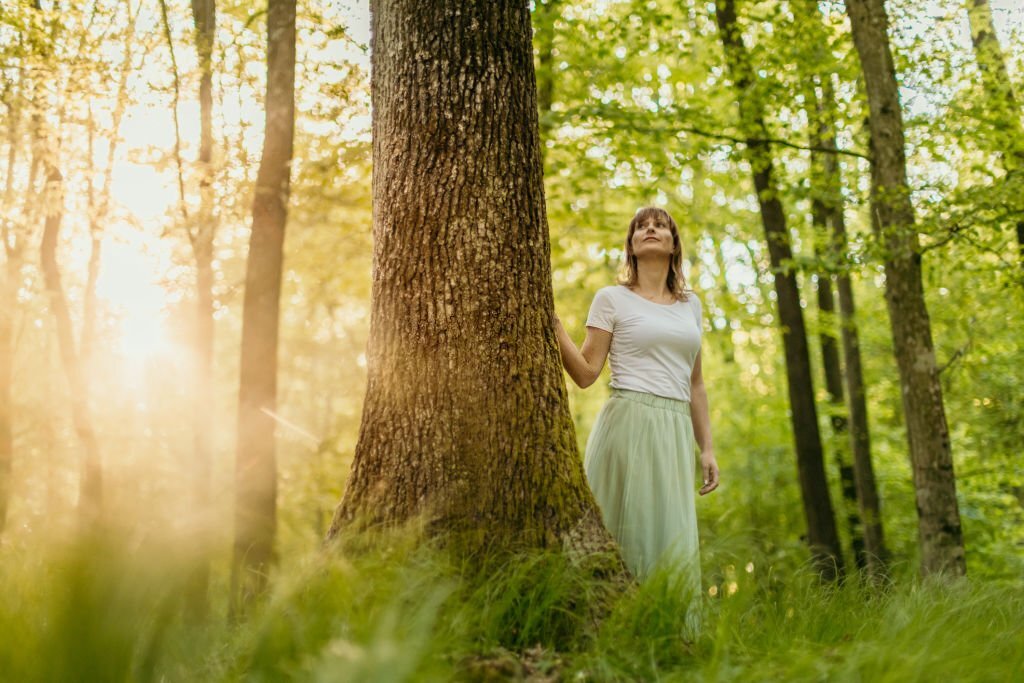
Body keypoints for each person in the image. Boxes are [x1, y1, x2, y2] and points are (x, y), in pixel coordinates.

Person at [553, 206, 718, 634]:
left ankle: (665, 637)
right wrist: (551, 324)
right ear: (630, 244)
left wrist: (708, 448)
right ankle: (603, 630)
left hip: (673, 428)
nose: (650, 229)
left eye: (659, 225)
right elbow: (587, 373)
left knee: (667, 536)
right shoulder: (612, 298)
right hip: (627, 420)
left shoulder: (691, 306)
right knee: (622, 530)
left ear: (673, 244)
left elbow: (695, 384)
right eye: (641, 226)